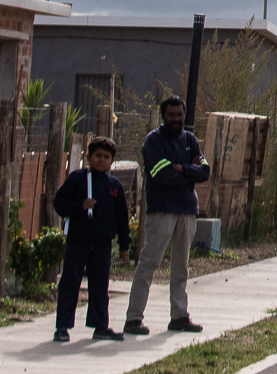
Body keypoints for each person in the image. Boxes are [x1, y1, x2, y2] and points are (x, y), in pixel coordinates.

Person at [126, 94, 212, 335]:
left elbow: (205, 172)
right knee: (149, 263)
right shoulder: (153, 141)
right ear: (164, 116)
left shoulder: (190, 139)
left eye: (180, 115)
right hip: (162, 210)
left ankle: (179, 316)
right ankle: (133, 318)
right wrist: (189, 173)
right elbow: (160, 174)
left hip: (186, 211)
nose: (176, 119)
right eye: (172, 115)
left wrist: (182, 168)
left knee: (180, 267)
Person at [51, 136, 129, 343]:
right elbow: (59, 204)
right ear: (89, 157)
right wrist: (80, 206)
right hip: (78, 240)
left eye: (106, 157)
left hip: (103, 243)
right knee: (70, 283)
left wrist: (124, 245)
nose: (101, 160)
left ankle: (100, 326)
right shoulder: (78, 179)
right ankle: (62, 327)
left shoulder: (114, 185)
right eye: (97, 156)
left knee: (100, 286)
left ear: (112, 160)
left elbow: (122, 217)